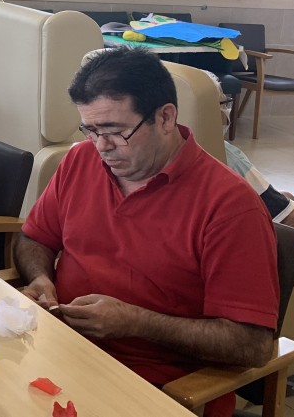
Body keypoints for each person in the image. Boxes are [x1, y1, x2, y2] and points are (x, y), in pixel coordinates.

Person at [15, 47, 278, 417]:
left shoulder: (229, 206)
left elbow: (252, 344)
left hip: (158, 388)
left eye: (116, 131)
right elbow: (34, 238)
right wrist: (40, 277)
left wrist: (136, 322)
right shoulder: (79, 160)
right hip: (64, 353)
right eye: (91, 130)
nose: (102, 147)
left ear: (165, 117)